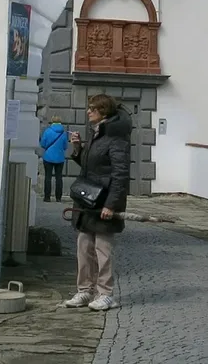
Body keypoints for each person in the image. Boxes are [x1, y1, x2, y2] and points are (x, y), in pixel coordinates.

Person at [62, 93, 131, 312]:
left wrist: (111, 205)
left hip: (103, 202)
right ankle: (85, 290)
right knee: (84, 248)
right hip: (88, 201)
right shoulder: (96, 134)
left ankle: (106, 294)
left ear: (104, 111)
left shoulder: (116, 137)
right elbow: (89, 165)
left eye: (93, 108)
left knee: (103, 250)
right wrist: (78, 149)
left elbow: (120, 174)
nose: (88, 111)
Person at [39, 119, 70, 201]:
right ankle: (58, 198)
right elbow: (65, 146)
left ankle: (47, 197)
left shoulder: (48, 131)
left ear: (52, 122)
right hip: (60, 158)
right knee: (59, 178)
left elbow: (42, 144)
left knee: (48, 177)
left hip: (48, 157)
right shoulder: (63, 133)